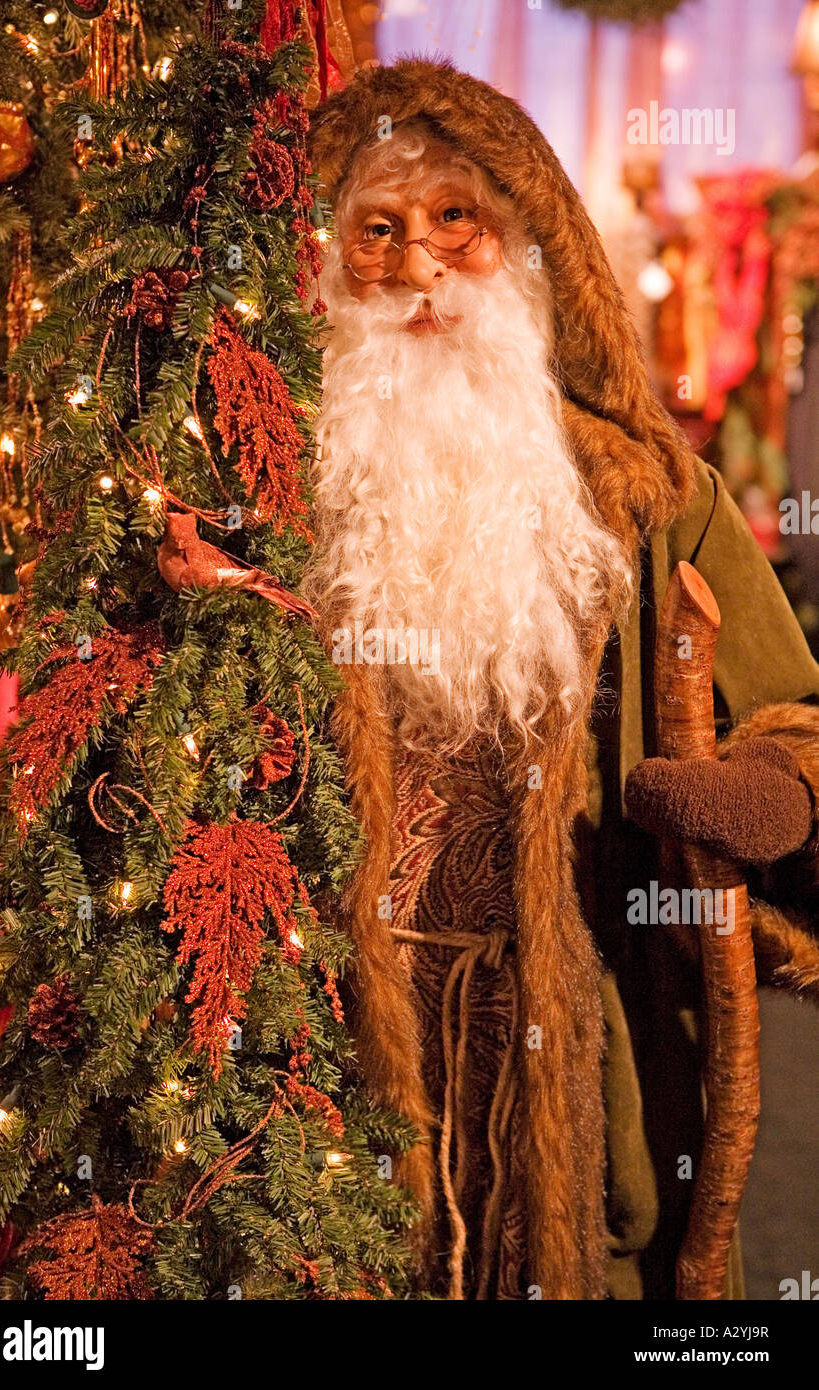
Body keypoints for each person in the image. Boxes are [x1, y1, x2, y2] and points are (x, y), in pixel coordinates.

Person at [303, 59, 819, 1301]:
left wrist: (769, 785)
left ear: (530, 247)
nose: (421, 269)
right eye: (378, 232)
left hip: (579, 1054)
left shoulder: (651, 499)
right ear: (322, 263)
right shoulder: (273, 499)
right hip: (322, 1046)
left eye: (453, 223)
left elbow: (801, 718)